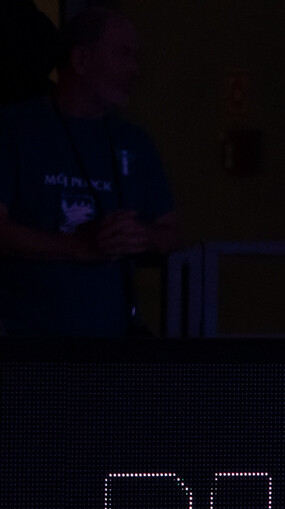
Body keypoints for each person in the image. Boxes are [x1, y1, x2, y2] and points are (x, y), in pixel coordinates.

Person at [0, 7, 177, 337]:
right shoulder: (13, 129)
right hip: (23, 342)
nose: (134, 70)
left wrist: (139, 234)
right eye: (123, 54)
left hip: (110, 342)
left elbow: (170, 232)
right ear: (80, 59)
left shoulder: (135, 142)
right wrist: (76, 246)